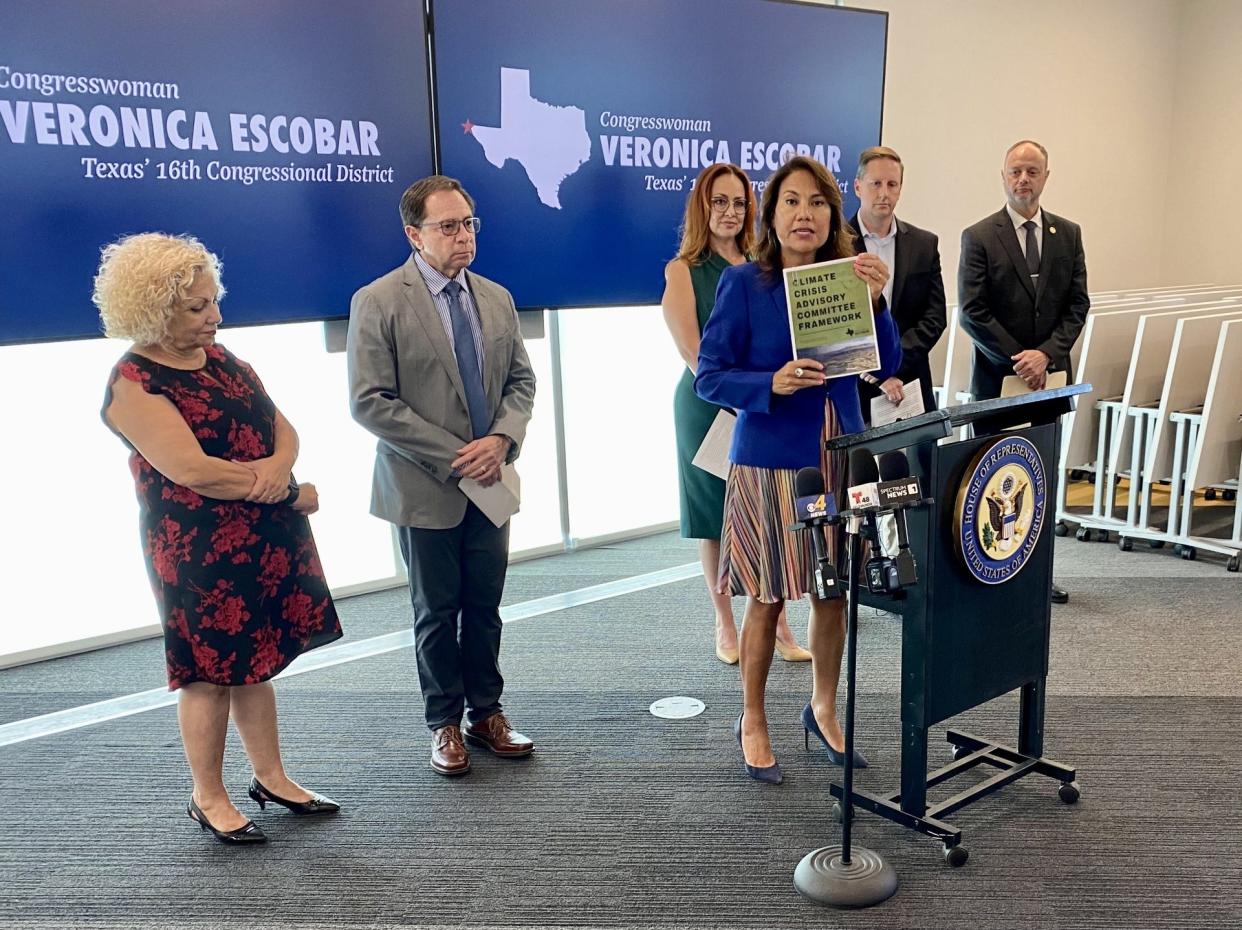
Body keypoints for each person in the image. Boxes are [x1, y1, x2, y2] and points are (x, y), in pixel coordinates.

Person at [96, 233, 343, 845]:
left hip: (261, 536)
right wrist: (286, 490)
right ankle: (208, 796)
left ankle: (272, 778)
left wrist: (282, 468)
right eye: (197, 308)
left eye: (214, 302)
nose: (215, 316)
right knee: (207, 672)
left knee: (254, 662)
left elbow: (282, 427)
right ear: (153, 310)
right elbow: (192, 470)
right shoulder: (134, 381)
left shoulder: (225, 358)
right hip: (198, 546)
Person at [695, 156, 902, 783]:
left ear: (832, 214)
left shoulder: (848, 279)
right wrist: (770, 383)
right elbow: (709, 375)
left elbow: (884, 363)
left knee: (832, 593)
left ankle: (822, 708)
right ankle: (753, 717)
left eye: (816, 202)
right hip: (770, 461)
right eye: (791, 201)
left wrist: (880, 302)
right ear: (772, 212)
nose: (804, 213)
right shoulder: (744, 284)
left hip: (839, 452)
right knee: (767, 596)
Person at [347, 175, 536, 778]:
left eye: (469, 223)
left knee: (485, 605)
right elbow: (370, 401)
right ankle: (444, 724)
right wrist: (460, 455)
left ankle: (487, 713)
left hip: (491, 481)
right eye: (447, 226)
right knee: (436, 610)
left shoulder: (497, 297)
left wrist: (502, 440)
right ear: (414, 233)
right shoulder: (378, 300)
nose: (463, 236)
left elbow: (521, 383)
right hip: (425, 484)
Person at [661, 163, 811, 666]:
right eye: (719, 201)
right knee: (714, 517)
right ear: (702, 208)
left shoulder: (766, 264)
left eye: (739, 202)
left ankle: (779, 621)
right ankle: (725, 623)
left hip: (769, 406)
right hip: (710, 410)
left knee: (771, 513)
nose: (730, 211)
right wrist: (747, 392)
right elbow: (695, 353)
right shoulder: (682, 269)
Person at [958, 140, 1089, 605]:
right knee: (992, 477)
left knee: (1041, 479)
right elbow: (972, 312)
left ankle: (1037, 575)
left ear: (1046, 176)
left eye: (1033, 171)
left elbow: (1078, 306)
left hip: (1049, 383)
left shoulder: (1068, 234)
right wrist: (1020, 358)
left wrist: (1046, 356)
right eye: (1016, 171)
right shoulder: (979, 236)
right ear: (1003, 176)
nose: (1024, 180)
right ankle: (988, 573)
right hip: (997, 380)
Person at [848, 146, 946, 421]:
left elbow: (935, 318)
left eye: (892, 184)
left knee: (918, 465)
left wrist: (894, 366)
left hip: (911, 384)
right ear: (858, 187)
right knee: (857, 465)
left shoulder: (924, 244)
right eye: (875, 184)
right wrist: (877, 373)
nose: (884, 193)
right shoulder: (835, 245)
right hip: (856, 389)